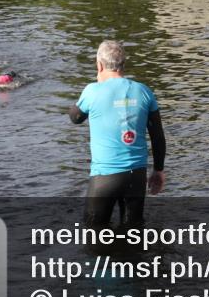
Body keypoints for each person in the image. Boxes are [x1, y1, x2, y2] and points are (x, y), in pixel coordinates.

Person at [69, 40, 166, 230]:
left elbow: (75, 117)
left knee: (94, 233)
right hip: (136, 177)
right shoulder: (144, 91)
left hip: (104, 178)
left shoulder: (91, 91)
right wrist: (158, 171)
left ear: (99, 65)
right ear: (124, 65)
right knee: (134, 231)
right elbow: (158, 136)